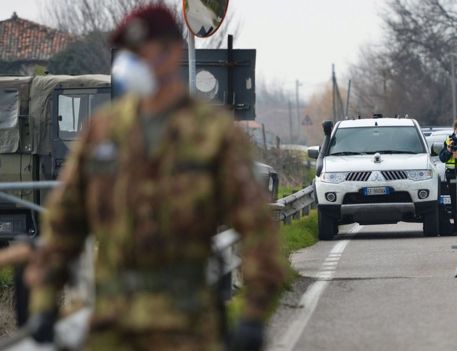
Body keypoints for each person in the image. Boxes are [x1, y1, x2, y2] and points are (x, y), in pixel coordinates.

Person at [25, 5, 285, 351]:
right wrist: (43, 302)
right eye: (128, 54)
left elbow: (256, 227)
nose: (131, 63)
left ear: (172, 53)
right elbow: (64, 222)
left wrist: (253, 314)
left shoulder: (211, 134)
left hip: (188, 325)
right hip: (112, 324)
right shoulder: (103, 132)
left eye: (141, 52)